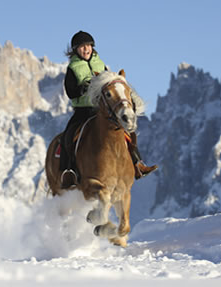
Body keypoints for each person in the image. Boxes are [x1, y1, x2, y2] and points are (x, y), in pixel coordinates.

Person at [60, 31, 157, 189]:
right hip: (83, 110)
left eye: (89, 46)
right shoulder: (73, 68)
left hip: (101, 108)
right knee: (68, 135)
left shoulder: (100, 64)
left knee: (127, 129)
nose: (86, 49)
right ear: (75, 50)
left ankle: (137, 163)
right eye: (82, 47)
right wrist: (83, 88)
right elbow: (70, 91)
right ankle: (69, 171)